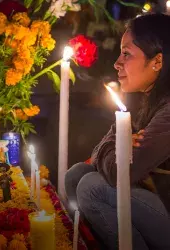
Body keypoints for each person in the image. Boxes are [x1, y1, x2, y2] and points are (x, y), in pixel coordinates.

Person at [65, 13, 170, 250]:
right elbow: (101, 151)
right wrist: (117, 145)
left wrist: (115, 147)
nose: (117, 63)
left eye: (127, 54)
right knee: (77, 174)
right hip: (152, 198)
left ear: (157, 61)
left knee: (92, 186)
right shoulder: (139, 99)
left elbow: (120, 172)